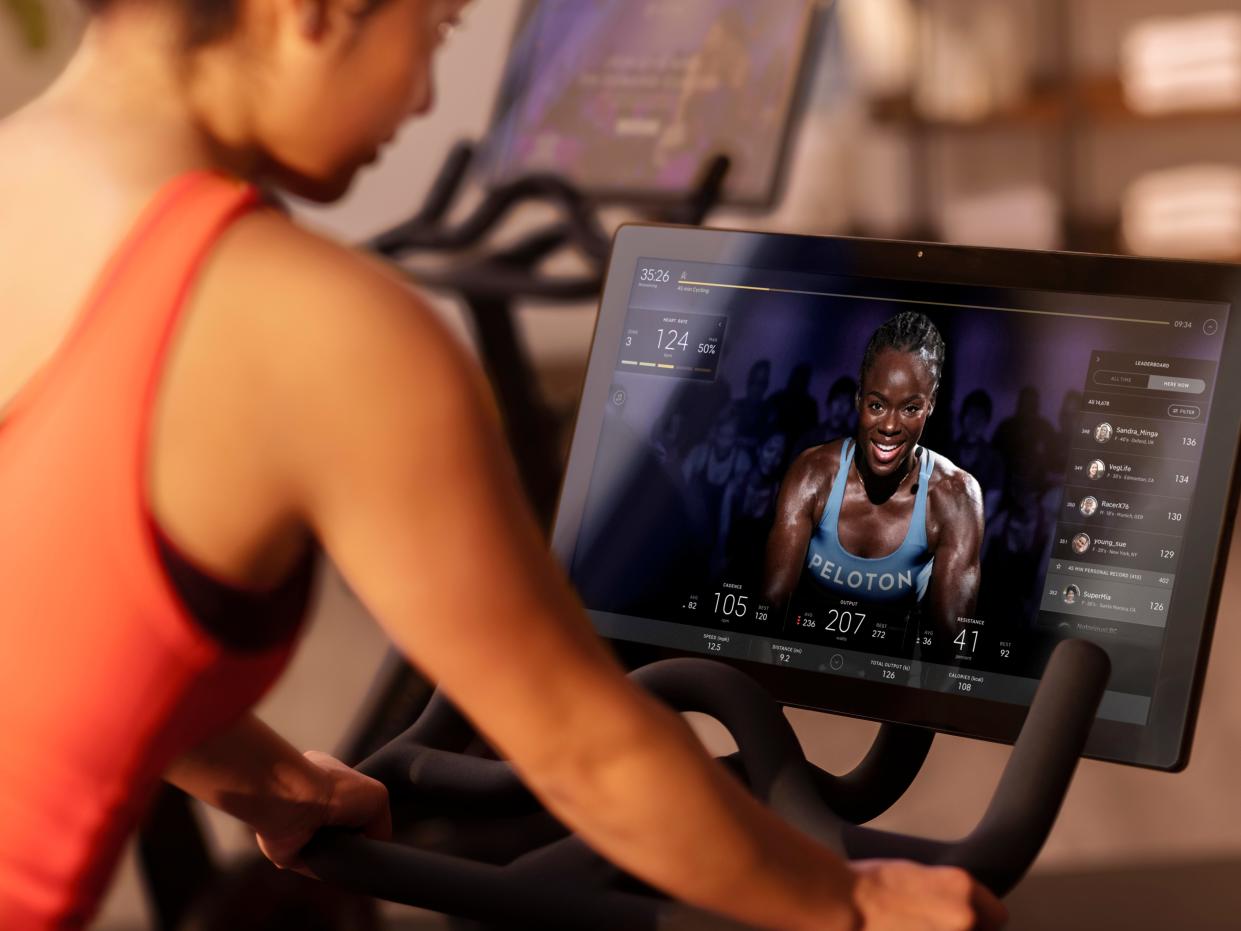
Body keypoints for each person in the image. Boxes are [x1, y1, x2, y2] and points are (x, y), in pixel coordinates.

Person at [0, 2, 1004, 929]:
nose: (427, 97)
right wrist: (851, 901)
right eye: (435, 31)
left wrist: (271, 781)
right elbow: (579, 742)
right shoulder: (308, 325)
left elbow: (49, 594)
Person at [764, 312, 985, 647]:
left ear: (932, 404)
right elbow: (770, 613)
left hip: (893, 690)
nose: (890, 426)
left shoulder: (955, 497)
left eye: (910, 408)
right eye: (877, 405)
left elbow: (949, 650)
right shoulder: (813, 474)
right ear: (859, 397)